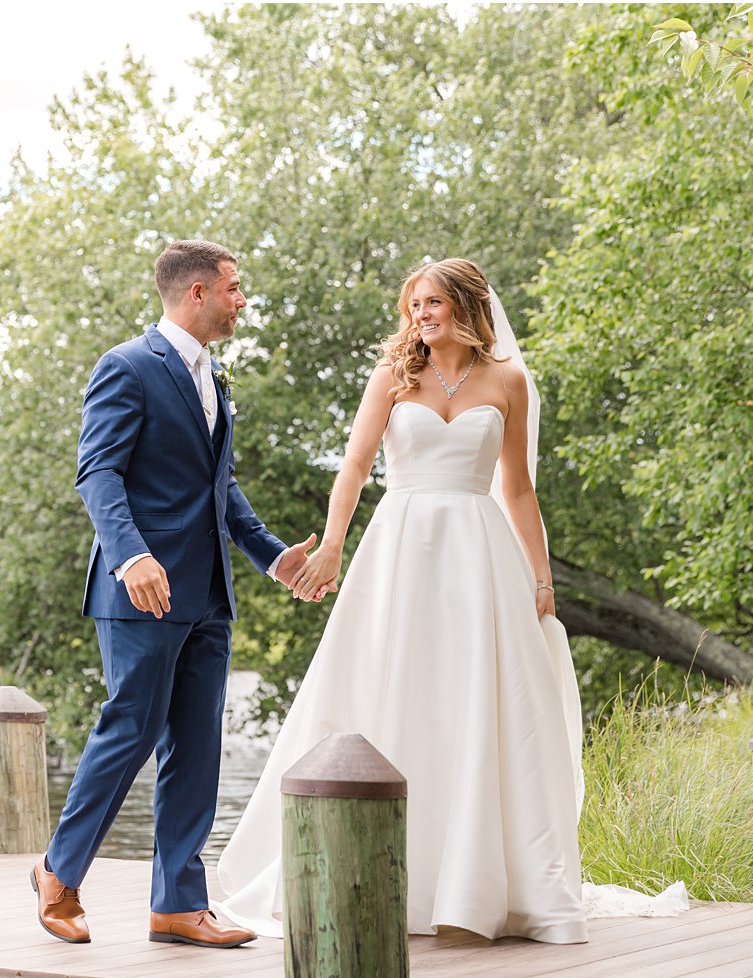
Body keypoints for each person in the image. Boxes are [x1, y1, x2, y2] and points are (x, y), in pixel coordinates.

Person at [216, 257, 593, 942]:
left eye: (436, 303)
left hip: (480, 553)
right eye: (415, 303)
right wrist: (331, 545)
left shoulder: (508, 380)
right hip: (402, 548)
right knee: (392, 690)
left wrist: (541, 577)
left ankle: (478, 884)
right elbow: (356, 466)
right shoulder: (392, 377)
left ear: (468, 306)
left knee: (480, 700)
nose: (422, 314)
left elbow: (517, 488)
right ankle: (380, 870)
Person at [32, 240, 322, 949]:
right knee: (129, 730)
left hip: (208, 593)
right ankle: (58, 873)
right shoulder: (126, 367)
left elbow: (217, 486)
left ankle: (178, 904)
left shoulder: (214, 378)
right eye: (234, 287)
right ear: (196, 292)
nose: (241, 300)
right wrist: (130, 554)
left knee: (196, 745)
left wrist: (271, 557)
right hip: (140, 592)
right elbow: (97, 473)